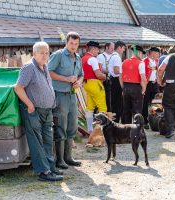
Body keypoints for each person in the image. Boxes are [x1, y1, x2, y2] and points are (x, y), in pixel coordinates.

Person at [14, 41, 63, 181]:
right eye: (41, 52)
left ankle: (50, 168)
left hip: (47, 110)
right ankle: (43, 172)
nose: (44, 55)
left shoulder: (44, 67)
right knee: (36, 141)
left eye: (47, 52)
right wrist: (29, 105)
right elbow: (18, 88)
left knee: (48, 139)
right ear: (34, 53)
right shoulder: (29, 67)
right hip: (34, 110)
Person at [48, 32, 83, 169]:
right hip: (60, 94)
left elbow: (81, 74)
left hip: (72, 95)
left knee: (72, 125)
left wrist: (79, 82)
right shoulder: (58, 55)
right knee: (60, 125)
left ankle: (68, 157)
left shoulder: (78, 57)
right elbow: (48, 72)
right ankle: (60, 159)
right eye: (71, 43)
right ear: (66, 42)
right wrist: (66, 79)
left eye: (76, 44)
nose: (73, 46)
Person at [82, 41, 107, 133]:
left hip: (86, 83)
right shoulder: (93, 59)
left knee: (90, 107)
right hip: (95, 83)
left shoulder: (83, 58)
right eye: (97, 49)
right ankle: (102, 130)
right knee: (102, 107)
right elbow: (98, 75)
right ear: (93, 49)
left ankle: (90, 129)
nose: (98, 51)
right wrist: (104, 76)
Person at [121, 45, 147, 124]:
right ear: (138, 52)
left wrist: (123, 88)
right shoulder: (140, 63)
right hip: (136, 88)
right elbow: (143, 79)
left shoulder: (124, 62)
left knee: (126, 110)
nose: (141, 55)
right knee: (137, 111)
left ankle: (126, 130)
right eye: (141, 53)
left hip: (126, 87)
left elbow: (120, 77)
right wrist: (143, 90)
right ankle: (137, 130)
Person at [142, 47, 160, 129]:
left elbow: (157, 71)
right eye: (157, 54)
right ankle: (145, 121)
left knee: (156, 102)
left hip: (154, 84)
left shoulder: (156, 61)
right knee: (145, 103)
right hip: (147, 84)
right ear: (152, 53)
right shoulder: (144, 61)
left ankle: (155, 120)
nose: (158, 55)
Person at [108, 41, 126, 123]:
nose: (123, 50)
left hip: (113, 80)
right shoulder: (117, 57)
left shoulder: (112, 56)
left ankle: (115, 122)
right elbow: (116, 70)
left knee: (115, 104)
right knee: (117, 104)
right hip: (116, 81)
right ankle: (116, 123)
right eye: (123, 48)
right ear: (119, 48)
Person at [97, 42, 115, 111]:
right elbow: (99, 68)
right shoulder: (100, 56)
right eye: (111, 48)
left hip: (113, 80)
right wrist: (109, 71)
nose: (113, 50)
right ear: (106, 47)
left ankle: (111, 116)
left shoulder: (114, 56)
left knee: (112, 99)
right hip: (104, 81)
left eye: (113, 48)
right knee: (106, 99)